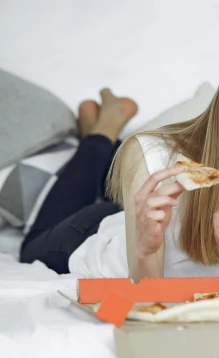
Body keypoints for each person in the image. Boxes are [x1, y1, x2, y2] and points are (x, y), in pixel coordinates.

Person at [31, 36, 219, 291]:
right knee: (30, 244)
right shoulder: (148, 153)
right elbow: (148, 299)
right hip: (91, 232)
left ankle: (103, 128)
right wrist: (147, 248)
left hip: (134, 208)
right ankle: (102, 130)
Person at [19, 89, 137, 273]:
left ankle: (100, 133)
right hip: (122, 223)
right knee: (33, 249)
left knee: (32, 250)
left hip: (125, 216)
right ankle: (102, 132)